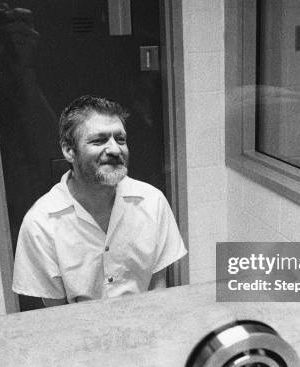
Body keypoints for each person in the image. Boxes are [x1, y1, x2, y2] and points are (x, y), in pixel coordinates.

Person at [12, 95, 187, 306]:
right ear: (69, 150)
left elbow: (159, 289)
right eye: (99, 140)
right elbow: (55, 314)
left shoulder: (152, 201)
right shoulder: (41, 222)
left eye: (120, 139)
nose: (115, 149)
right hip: (79, 332)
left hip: (145, 326)